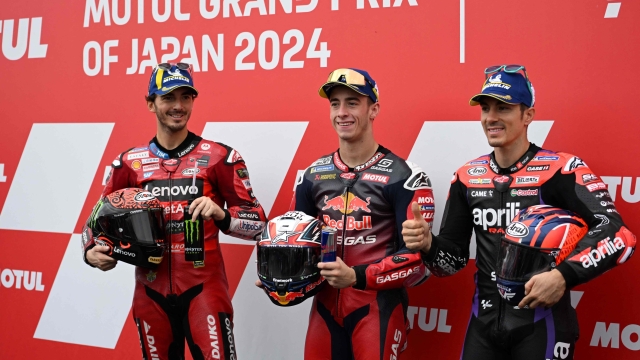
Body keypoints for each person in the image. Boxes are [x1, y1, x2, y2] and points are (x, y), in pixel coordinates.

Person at [401, 65, 637, 360]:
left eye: (503, 108)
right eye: (485, 108)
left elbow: (619, 235)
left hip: (542, 324)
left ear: (528, 115)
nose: (491, 118)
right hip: (483, 325)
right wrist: (428, 245)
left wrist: (563, 277)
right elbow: (452, 262)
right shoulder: (467, 177)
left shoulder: (561, 170)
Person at [82, 62, 267, 360]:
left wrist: (222, 215)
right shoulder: (129, 163)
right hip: (149, 293)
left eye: (185, 97)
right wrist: (92, 251)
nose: (178, 106)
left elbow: (259, 224)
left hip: (204, 291)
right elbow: (95, 224)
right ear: (150, 103)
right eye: (168, 97)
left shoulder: (221, 157)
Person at [291, 68, 435, 359]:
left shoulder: (404, 176)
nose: (342, 112)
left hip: (377, 310)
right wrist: (283, 276)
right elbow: (299, 247)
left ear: (374, 109)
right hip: (323, 310)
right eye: (335, 104)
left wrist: (356, 277)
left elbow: (419, 264)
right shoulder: (311, 175)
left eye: (352, 103)